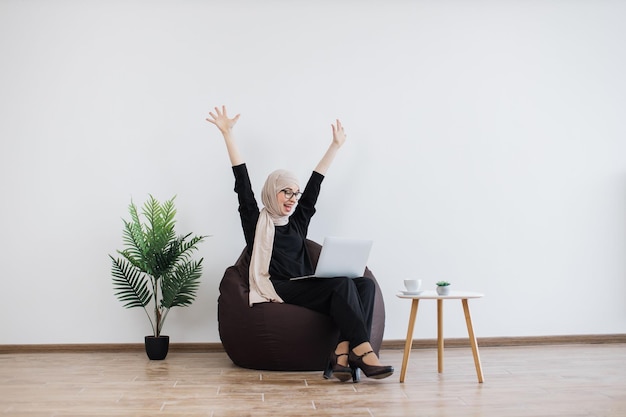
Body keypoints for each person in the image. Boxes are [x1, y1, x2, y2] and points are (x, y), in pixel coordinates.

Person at [206, 105, 393, 382]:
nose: (293, 199)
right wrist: (228, 135)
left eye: (295, 193)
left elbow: (315, 183)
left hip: (307, 283)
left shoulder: (297, 221)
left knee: (364, 284)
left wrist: (335, 146)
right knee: (342, 284)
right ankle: (363, 351)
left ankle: (342, 353)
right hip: (280, 286)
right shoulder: (256, 224)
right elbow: (241, 182)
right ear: (272, 192)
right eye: (286, 192)